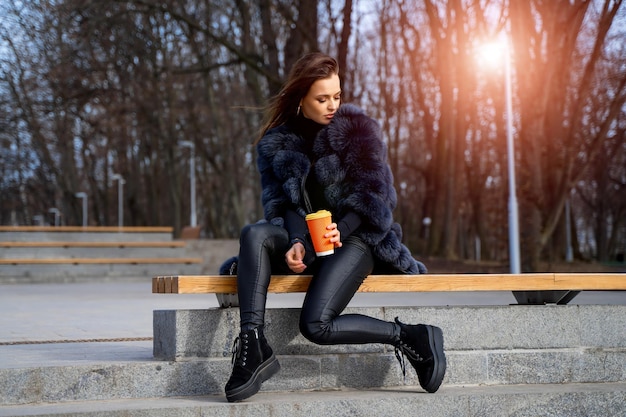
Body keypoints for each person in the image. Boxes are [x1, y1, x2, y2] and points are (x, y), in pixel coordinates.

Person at [224, 52, 446, 403]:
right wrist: (297, 241)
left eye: (336, 96)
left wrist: (341, 228)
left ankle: (409, 335)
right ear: (301, 99)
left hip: (357, 238)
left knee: (316, 326)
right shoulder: (275, 144)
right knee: (255, 233)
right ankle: (253, 346)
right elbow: (280, 205)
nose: (332, 105)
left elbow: (377, 195)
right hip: (308, 241)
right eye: (322, 98)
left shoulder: (357, 129)